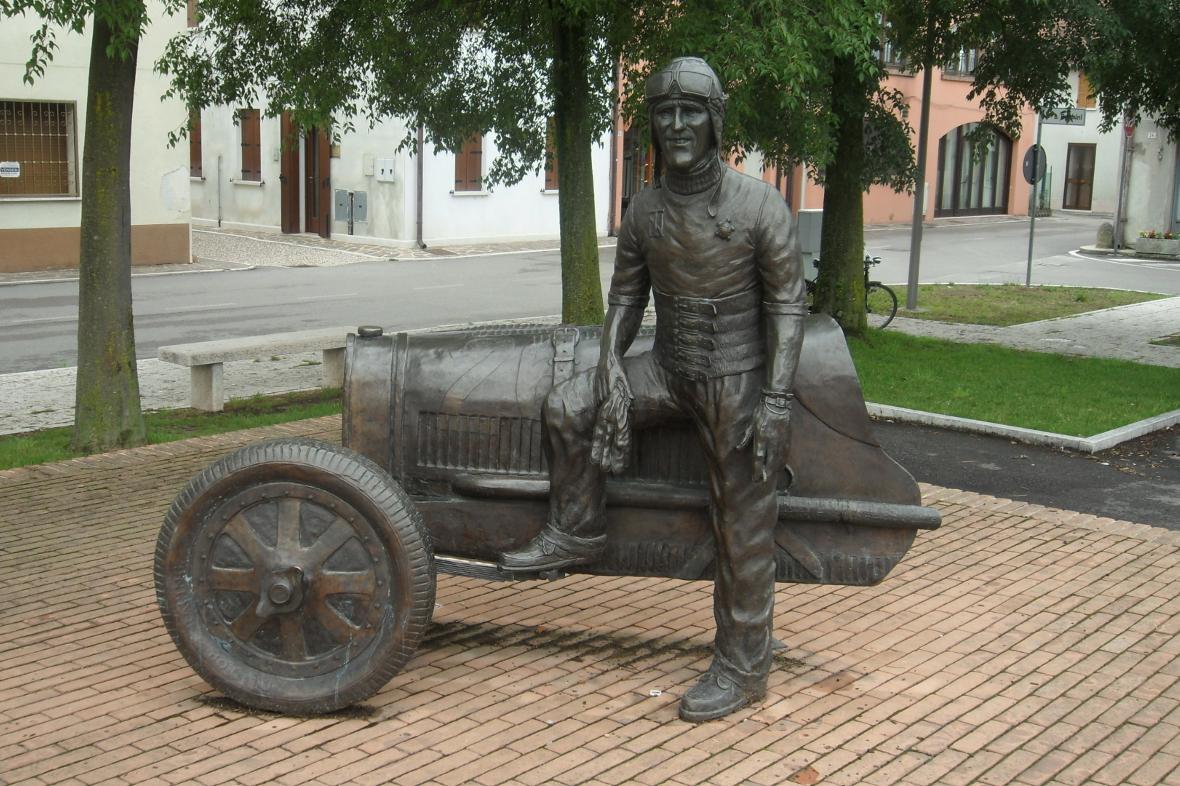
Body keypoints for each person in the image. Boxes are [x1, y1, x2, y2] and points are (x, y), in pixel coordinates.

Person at [499, 56, 806, 722]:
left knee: (742, 520)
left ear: (715, 119)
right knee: (570, 404)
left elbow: (787, 305)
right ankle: (576, 529)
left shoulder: (759, 205)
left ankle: (744, 664)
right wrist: (609, 364)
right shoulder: (644, 208)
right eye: (665, 113)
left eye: (690, 111)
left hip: (738, 376)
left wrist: (775, 401)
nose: (676, 124)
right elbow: (626, 296)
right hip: (666, 368)